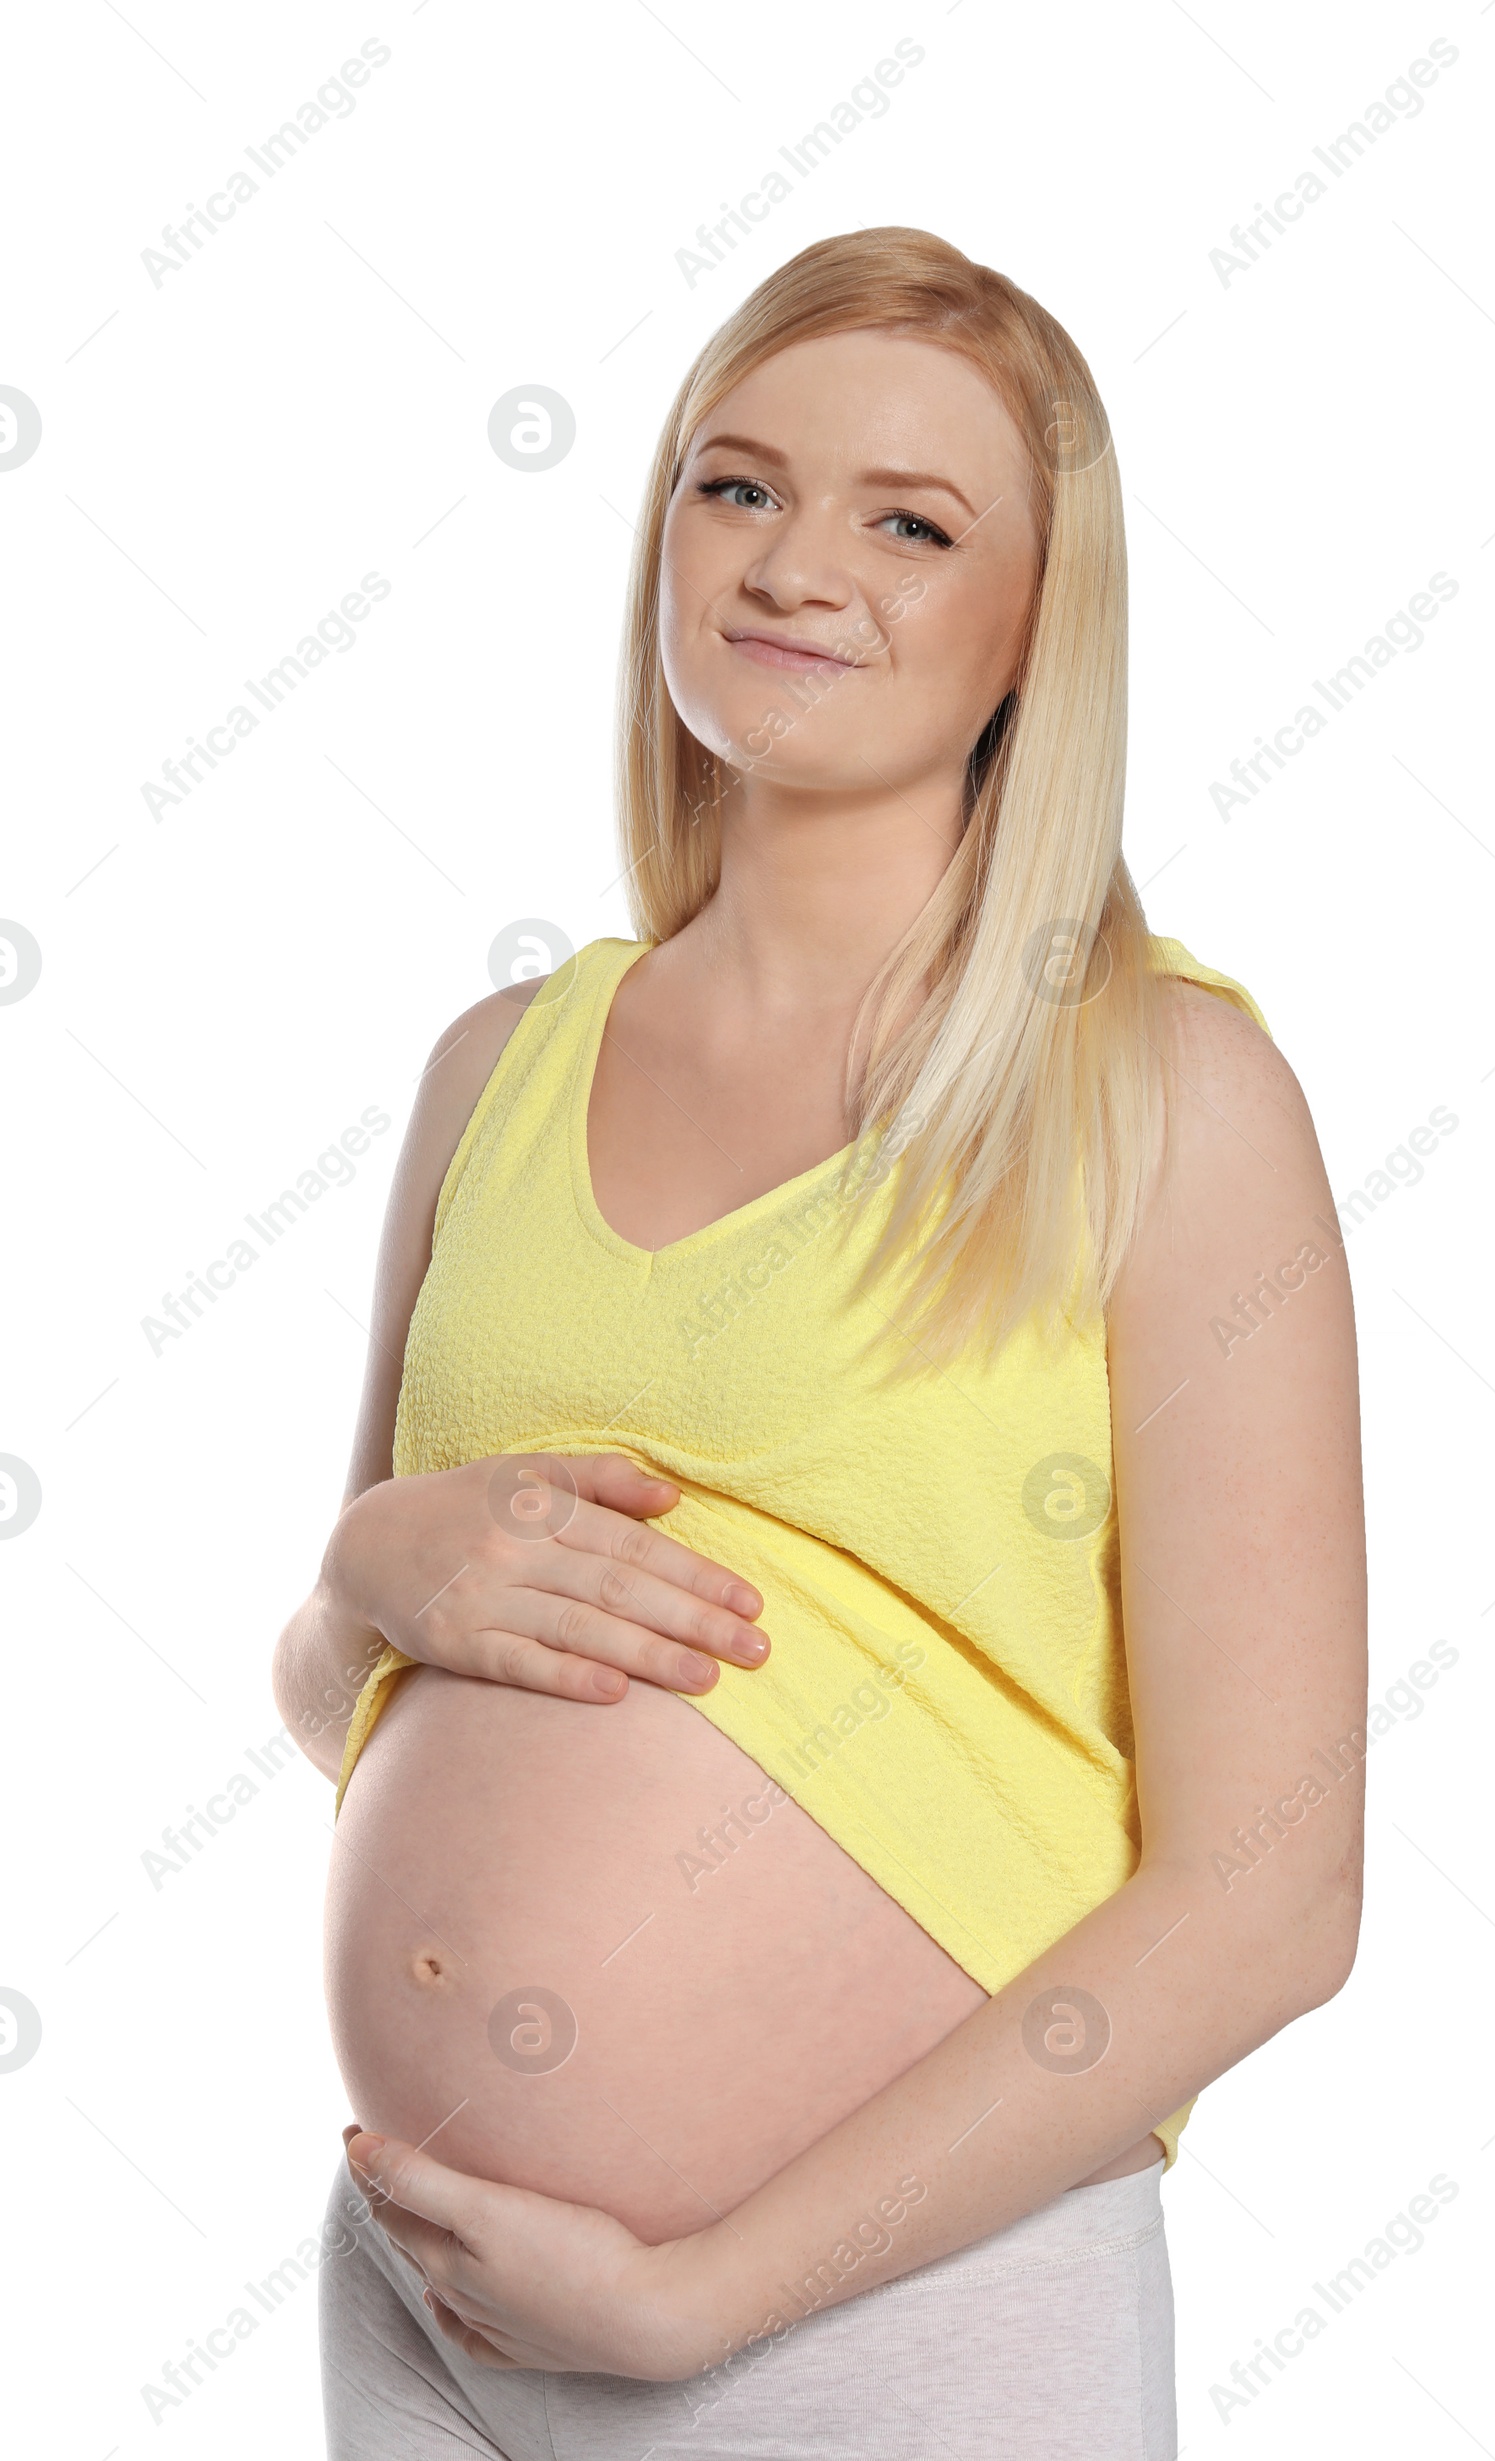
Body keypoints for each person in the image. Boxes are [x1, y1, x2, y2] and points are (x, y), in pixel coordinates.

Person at [273, 226, 1366, 2459]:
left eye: (910, 521)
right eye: (736, 485)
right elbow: (349, 1704)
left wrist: (698, 2298)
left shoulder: (1152, 1097)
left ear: (1033, 626)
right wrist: (366, 1578)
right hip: (434, 2293)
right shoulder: (500, 1064)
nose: (793, 567)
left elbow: (1272, 1893)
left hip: (893, 2323)